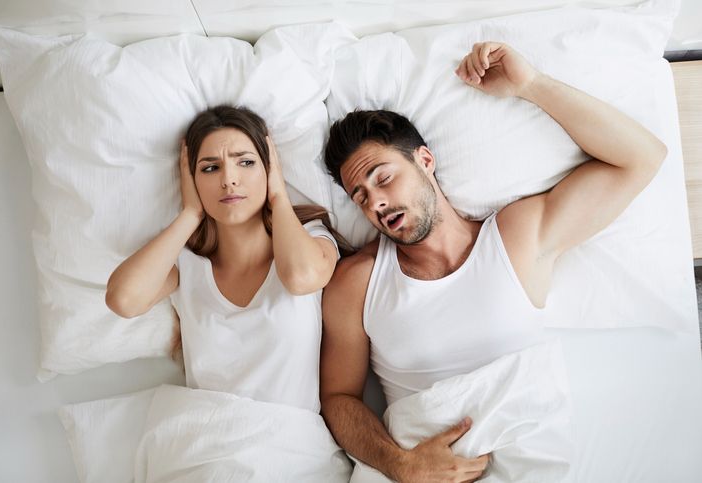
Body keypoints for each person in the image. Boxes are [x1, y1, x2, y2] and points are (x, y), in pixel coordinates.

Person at [319, 41, 667, 482]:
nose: (376, 203)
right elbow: (338, 399)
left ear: (425, 160)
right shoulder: (356, 283)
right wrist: (400, 464)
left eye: (383, 178)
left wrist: (531, 85)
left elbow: (640, 159)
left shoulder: (514, 238)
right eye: (360, 197)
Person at [106, 105, 345, 414]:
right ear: (191, 180)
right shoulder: (187, 265)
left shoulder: (310, 238)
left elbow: (302, 278)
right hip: (207, 431)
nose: (229, 179)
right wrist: (190, 214)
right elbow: (123, 300)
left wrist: (278, 197)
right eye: (210, 168)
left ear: (269, 169)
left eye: (246, 162)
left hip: (289, 434)